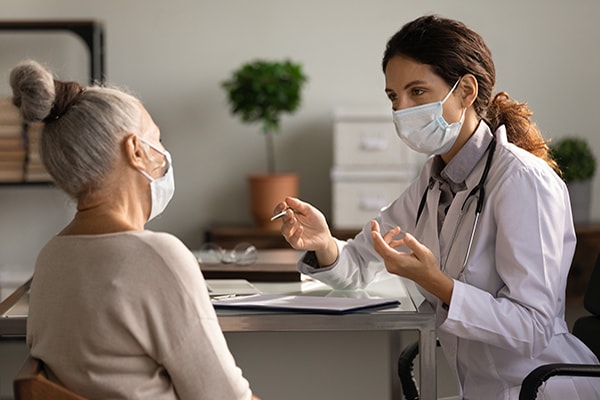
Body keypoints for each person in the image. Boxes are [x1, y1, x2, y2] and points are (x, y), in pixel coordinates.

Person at [275, 15, 600, 399]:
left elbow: (532, 328)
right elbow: (359, 265)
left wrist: (438, 284)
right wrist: (324, 242)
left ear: (465, 91)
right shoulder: (433, 184)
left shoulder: (522, 180)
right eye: (394, 97)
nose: (402, 109)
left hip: (539, 388)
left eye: (417, 92)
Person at [10, 60, 260, 400]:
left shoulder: (50, 257)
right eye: (156, 138)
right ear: (137, 150)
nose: (164, 153)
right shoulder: (156, 256)